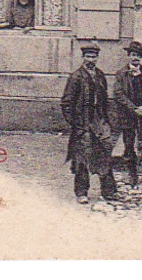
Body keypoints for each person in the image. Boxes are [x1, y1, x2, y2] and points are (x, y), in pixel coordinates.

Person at [60, 43, 117, 203]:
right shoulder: (76, 77)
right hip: (83, 124)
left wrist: (106, 120)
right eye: (88, 56)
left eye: (94, 57)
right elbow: (66, 103)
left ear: (97, 58)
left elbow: (105, 100)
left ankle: (109, 191)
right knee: (82, 158)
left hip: (99, 122)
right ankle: (81, 193)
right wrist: (76, 123)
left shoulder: (100, 75)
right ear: (83, 57)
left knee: (105, 155)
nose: (91, 60)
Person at [112, 40, 142, 187]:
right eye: (133, 55)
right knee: (129, 143)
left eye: (138, 55)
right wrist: (133, 108)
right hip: (128, 114)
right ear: (128, 56)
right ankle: (132, 174)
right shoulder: (121, 74)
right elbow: (118, 94)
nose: (135, 58)